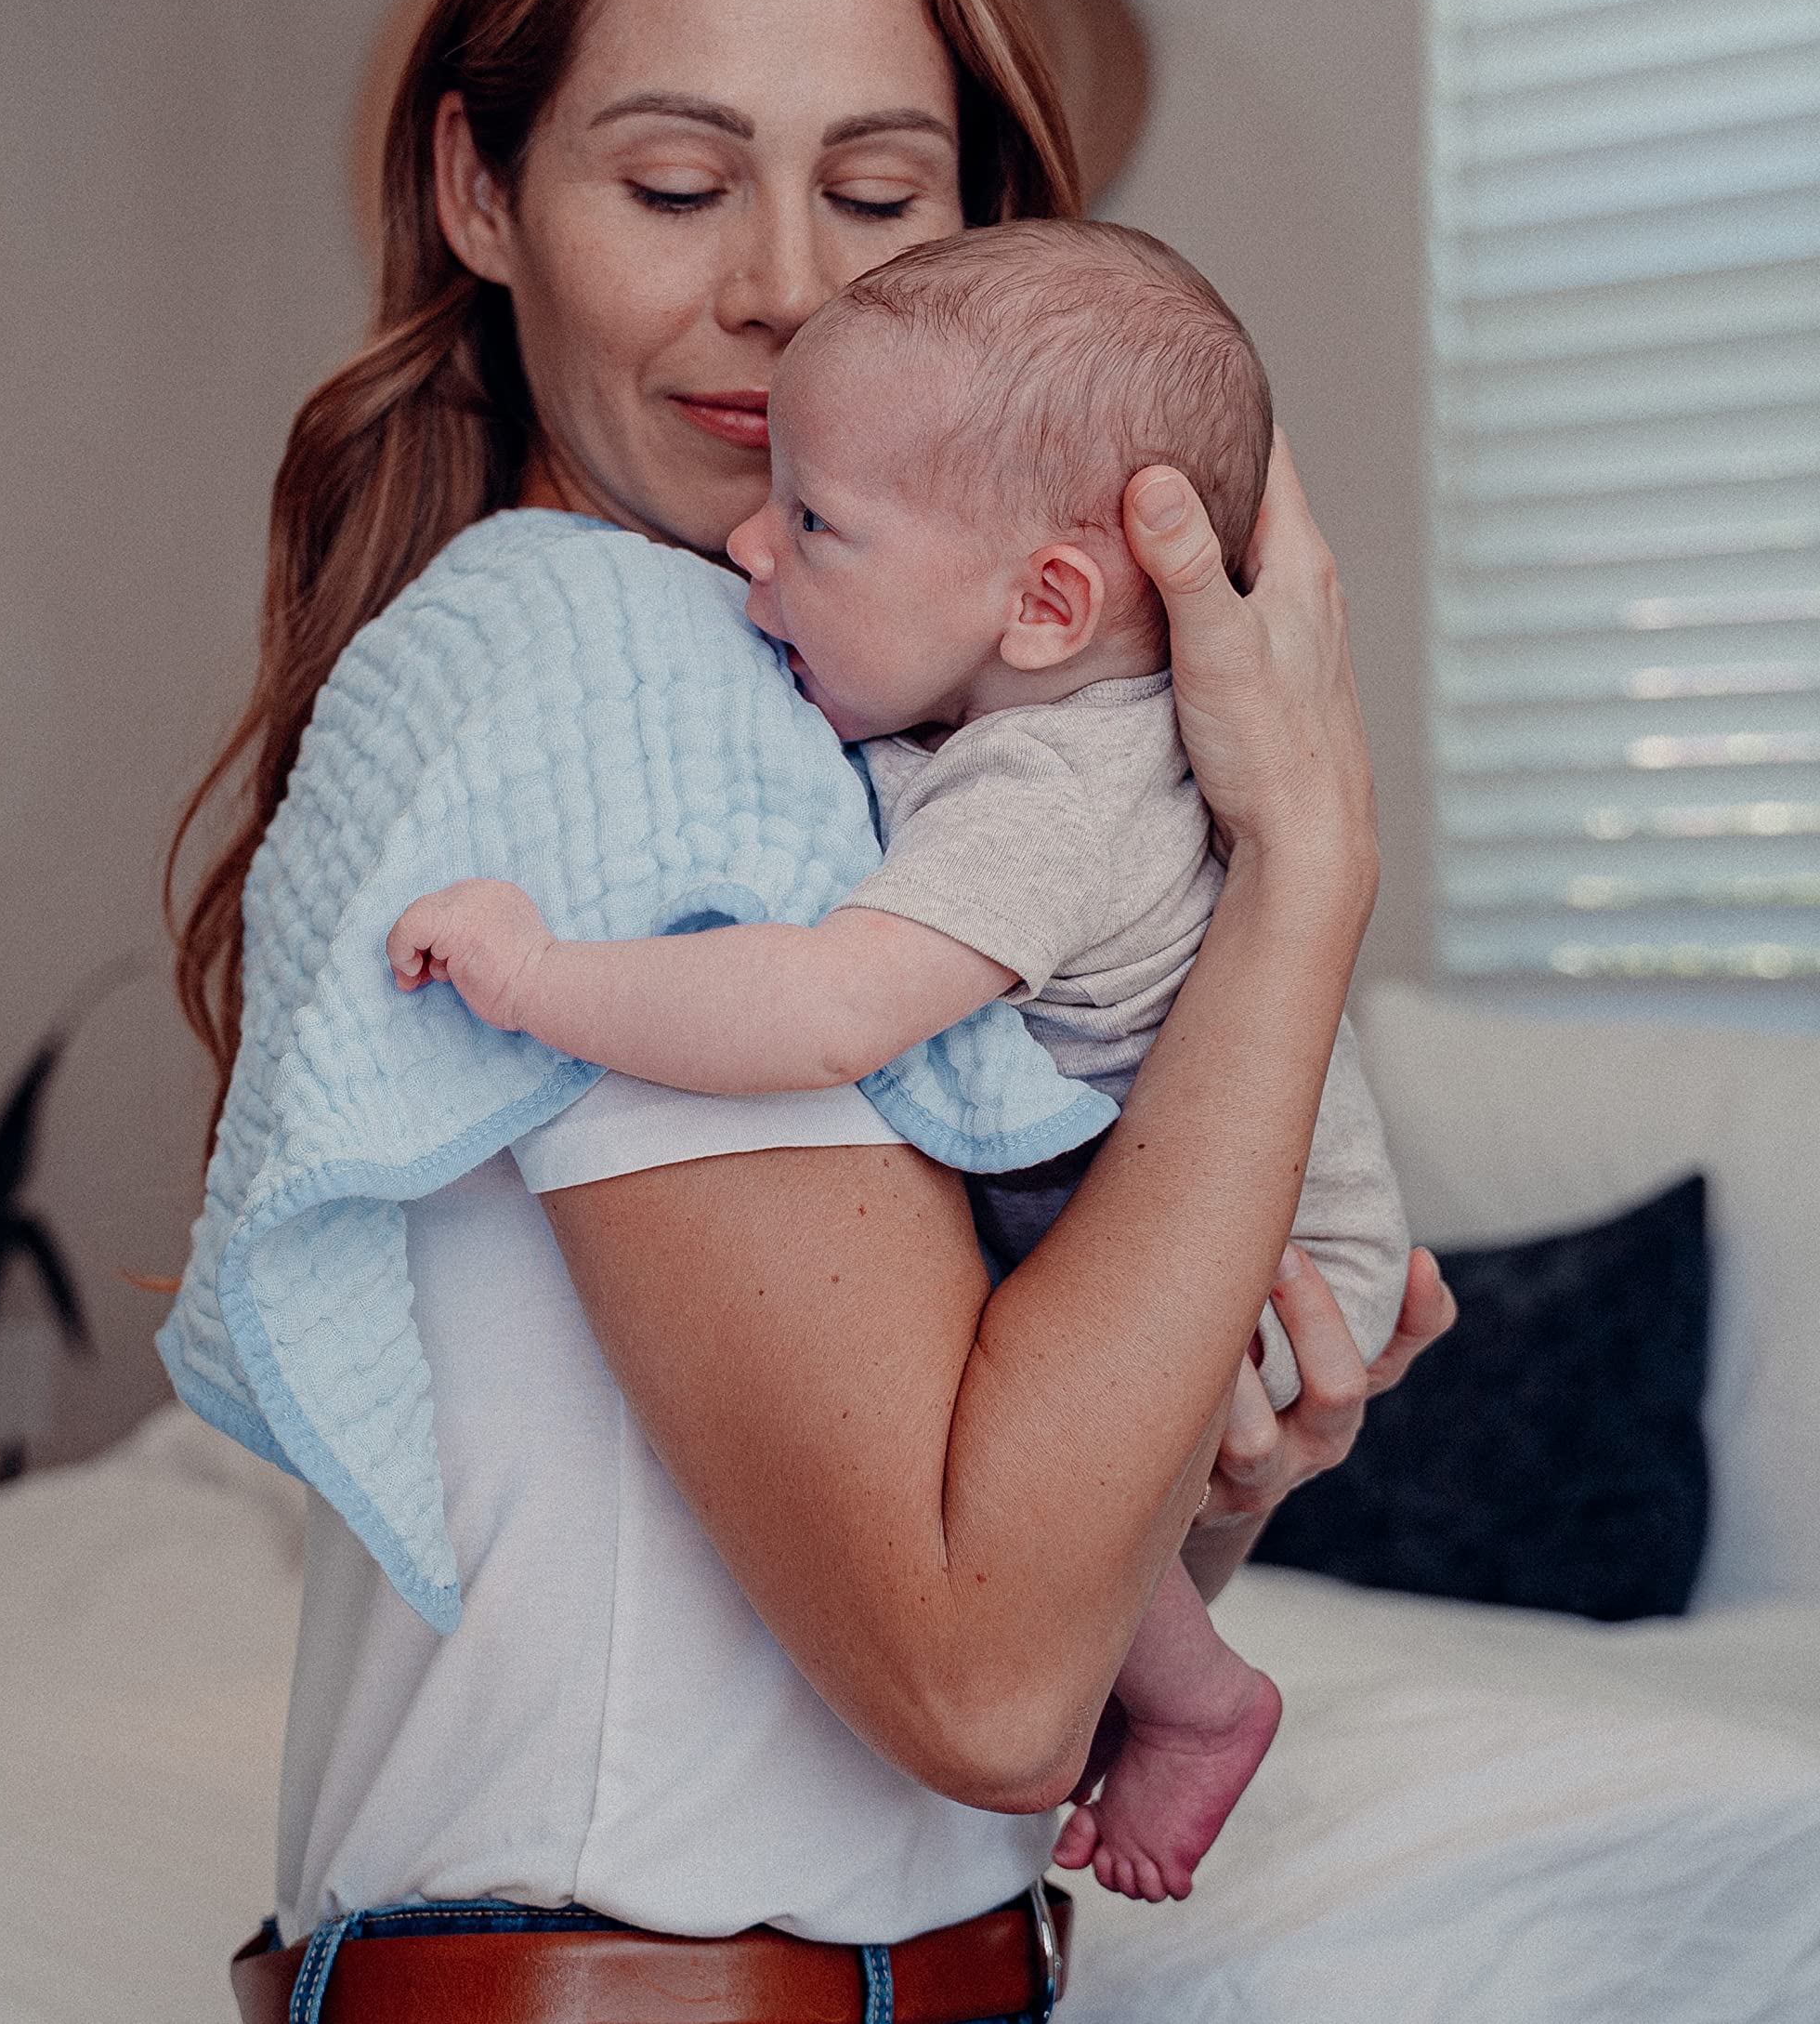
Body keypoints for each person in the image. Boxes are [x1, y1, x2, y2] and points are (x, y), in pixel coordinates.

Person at [165, 0, 1453, 2024]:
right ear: (478, 189)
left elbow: (1022, 1625)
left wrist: (1212, 1463)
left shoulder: (863, 745)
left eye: (876, 194)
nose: (780, 293)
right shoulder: (610, 660)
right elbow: (970, 1668)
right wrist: (1306, 870)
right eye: (672, 182)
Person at [386, 216, 1413, 1905]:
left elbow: (819, 1011)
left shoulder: (1047, 794)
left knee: (1032, 1535)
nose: (749, 550)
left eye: (816, 524)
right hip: (1221, 1215)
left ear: (1048, 601)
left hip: (1292, 1257)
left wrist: (536, 974)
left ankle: (1202, 1702)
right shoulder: (1016, 733)